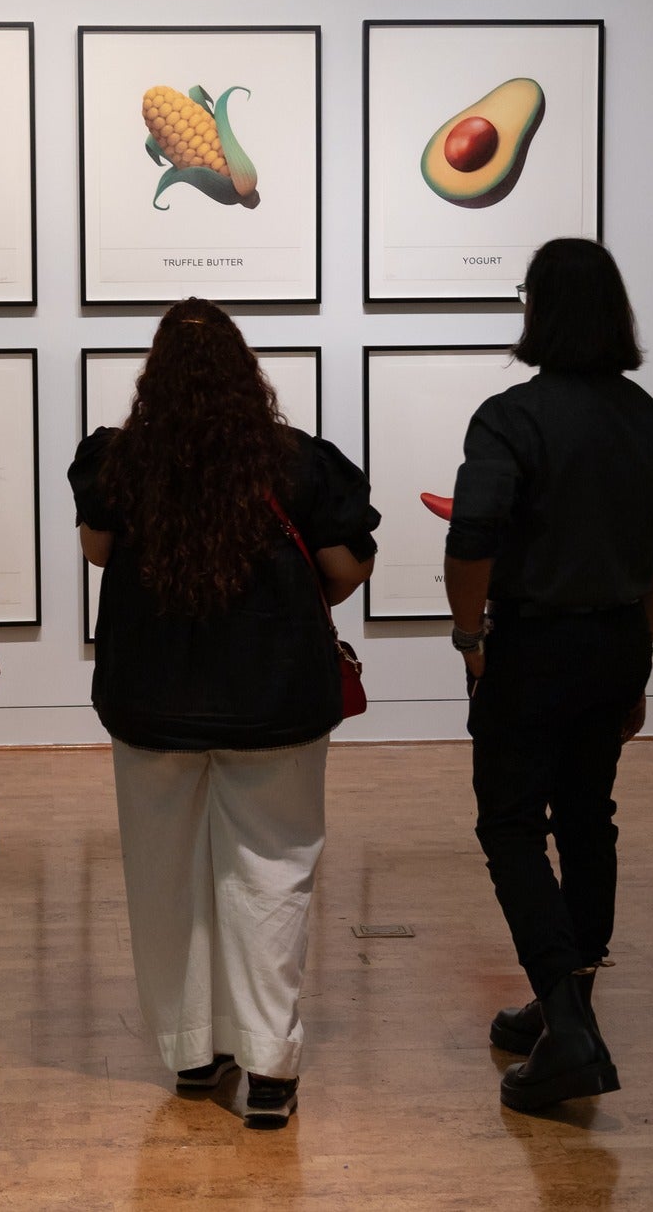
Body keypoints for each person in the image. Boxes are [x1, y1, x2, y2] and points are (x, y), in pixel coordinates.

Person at [69, 299, 379, 1131]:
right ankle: (270, 1067)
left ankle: (194, 1052)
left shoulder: (119, 461)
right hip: (275, 698)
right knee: (272, 878)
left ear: (154, 377)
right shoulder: (295, 463)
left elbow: (99, 549)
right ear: (247, 374)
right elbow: (345, 566)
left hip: (152, 699)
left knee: (165, 877)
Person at [442, 238, 653, 1112]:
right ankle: (564, 997)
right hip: (615, 640)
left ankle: (570, 1028)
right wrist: (639, 660)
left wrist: (471, 635)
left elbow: (471, 539)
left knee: (510, 823)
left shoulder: (509, 419)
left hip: (531, 646)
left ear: (537, 310)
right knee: (587, 816)